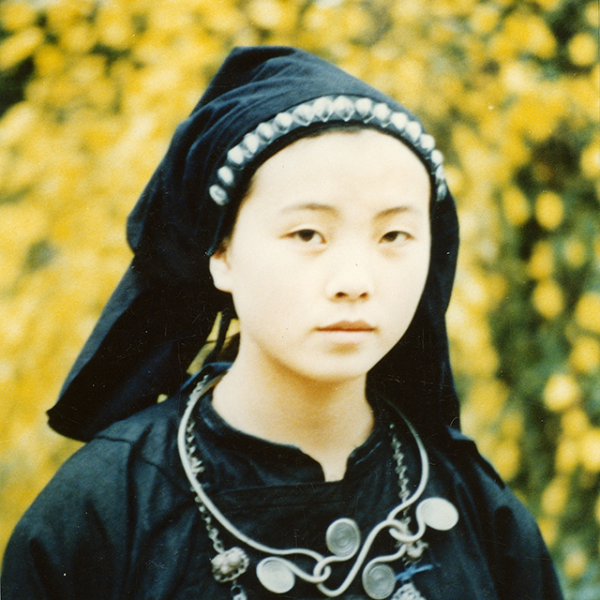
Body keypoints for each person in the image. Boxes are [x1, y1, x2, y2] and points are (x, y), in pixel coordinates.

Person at [1, 46, 563, 600]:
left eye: (394, 235)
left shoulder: (476, 507)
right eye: (308, 234)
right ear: (221, 253)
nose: (354, 281)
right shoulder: (102, 510)